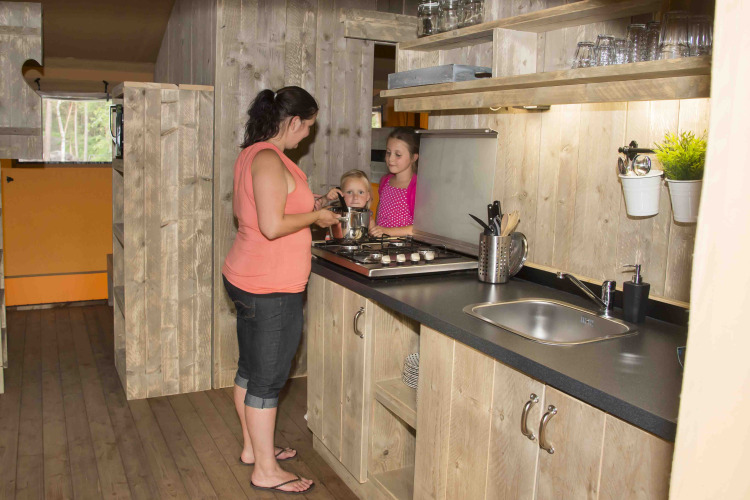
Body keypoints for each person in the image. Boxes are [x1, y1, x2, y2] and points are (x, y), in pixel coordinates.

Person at [221, 86, 338, 495]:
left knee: (251, 369)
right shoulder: (269, 158)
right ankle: (266, 471)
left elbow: (270, 208)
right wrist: (317, 218)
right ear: (293, 121)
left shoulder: (254, 153)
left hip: (249, 278)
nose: (307, 135)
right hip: (269, 287)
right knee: (267, 381)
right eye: (307, 127)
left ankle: (254, 449)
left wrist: (315, 204)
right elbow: (272, 226)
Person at [370, 127, 419, 237]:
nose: (390, 159)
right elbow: (380, 213)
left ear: (414, 157)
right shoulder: (385, 181)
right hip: (382, 244)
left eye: (398, 155)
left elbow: (420, 228)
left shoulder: (418, 187)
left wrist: (387, 231)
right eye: (388, 152)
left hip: (404, 246)